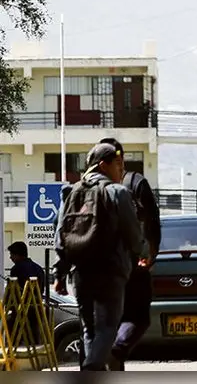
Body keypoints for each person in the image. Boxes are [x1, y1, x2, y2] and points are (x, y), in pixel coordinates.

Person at [54, 142, 144, 371]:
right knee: (108, 327)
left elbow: (61, 236)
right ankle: (91, 368)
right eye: (118, 164)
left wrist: (60, 274)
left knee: (89, 328)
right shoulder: (118, 193)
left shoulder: (73, 192)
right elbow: (133, 235)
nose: (121, 170)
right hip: (110, 272)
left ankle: (90, 369)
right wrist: (139, 259)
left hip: (81, 273)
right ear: (103, 165)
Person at [98, 138, 162, 371]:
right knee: (137, 317)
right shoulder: (135, 182)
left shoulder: (84, 187)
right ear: (120, 159)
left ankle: (102, 363)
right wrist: (151, 255)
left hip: (95, 267)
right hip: (131, 264)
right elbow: (152, 223)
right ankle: (118, 350)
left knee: (102, 323)